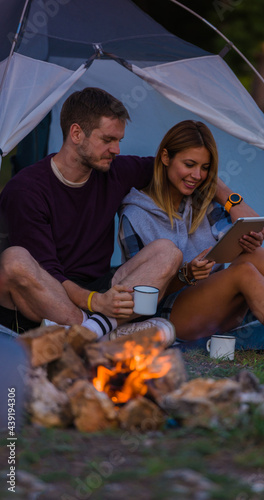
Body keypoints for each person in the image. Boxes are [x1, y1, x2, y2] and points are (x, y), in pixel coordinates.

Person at [118, 120, 264, 363]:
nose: (197, 175)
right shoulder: (134, 216)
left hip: (217, 304)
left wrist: (225, 196)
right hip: (170, 315)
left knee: (253, 255)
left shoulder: (202, 202)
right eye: (189, 164)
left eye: (205, 168)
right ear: (165, 157)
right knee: (244, 272)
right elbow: (142, 299)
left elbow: (249, 222)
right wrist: (186, 275)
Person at [0, 87, 184, 342]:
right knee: (14, 260)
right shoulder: (26, 189)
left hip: (100, 289)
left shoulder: (114, 171)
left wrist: (233, 202)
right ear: (76, 133)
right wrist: (94, 301)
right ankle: (101, 331)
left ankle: (90, 334)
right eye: (108, 140)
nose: (117, 149)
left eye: (119, 140)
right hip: (49, 296)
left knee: (168, 251)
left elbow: (178, 169)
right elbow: (48, 272)